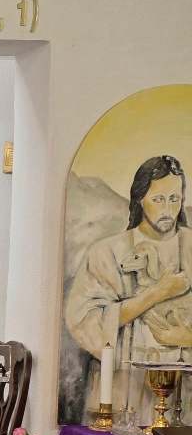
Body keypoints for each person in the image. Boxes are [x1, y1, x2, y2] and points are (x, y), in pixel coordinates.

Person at [65, 155, 192, 417]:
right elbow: (84, 321)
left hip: (185, 395)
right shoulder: (106, 252)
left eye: (174, 198)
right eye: (158, 199)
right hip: (123, 390)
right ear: (140, 198)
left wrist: (185, 337)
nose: (168, 209)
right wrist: (158, 293)